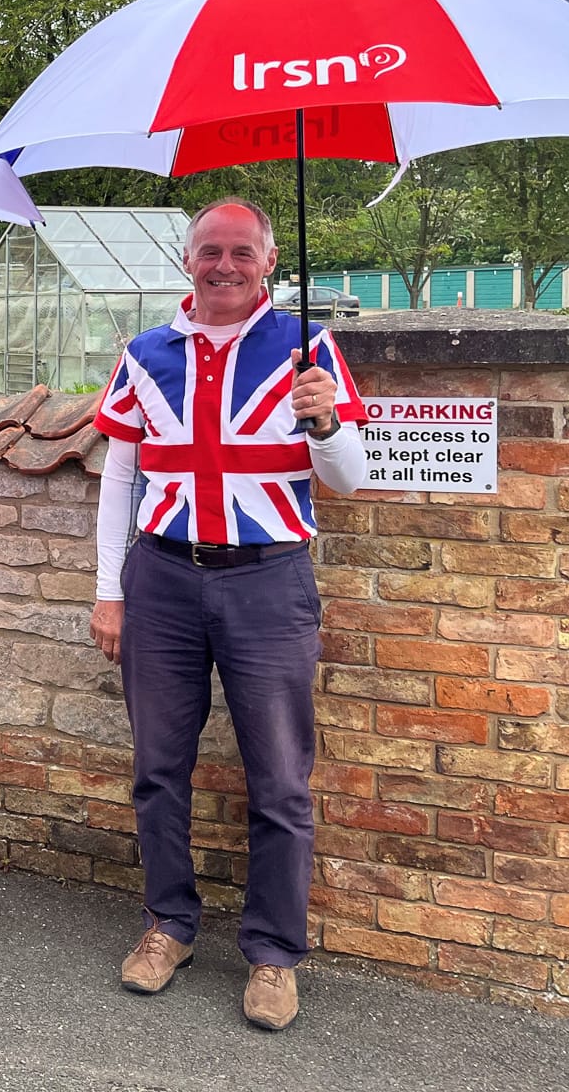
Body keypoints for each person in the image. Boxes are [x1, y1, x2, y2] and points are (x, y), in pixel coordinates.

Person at [90, 199, 366, 1031]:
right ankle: (169, 924)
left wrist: (321, 419)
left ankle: (274, 953)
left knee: (279, 781)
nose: (224, 265)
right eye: (210, 250)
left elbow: (347, 478)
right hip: (164, 578)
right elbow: (118, 480)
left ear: (269, 263)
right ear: (187, 262)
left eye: (241, 252)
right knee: (157, 767)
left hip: (268, 582)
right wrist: (111, 589)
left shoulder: (308, 351)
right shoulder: (145, 354)